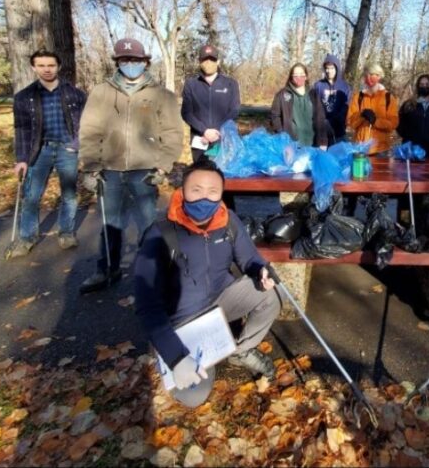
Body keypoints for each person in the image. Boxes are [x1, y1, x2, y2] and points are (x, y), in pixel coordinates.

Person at [134, 159, 281, 405]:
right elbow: (146, 305)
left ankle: (241, 350)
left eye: (213, 192)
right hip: (184, 321)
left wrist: (260, 270)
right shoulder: (160, 234)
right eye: (196, 190)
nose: (204, 199)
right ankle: (181, 357)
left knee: (272, 295)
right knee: (193, 397)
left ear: (222, 194)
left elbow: (249, 258)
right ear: (182, 192)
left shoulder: (228, 220)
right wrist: (176, 357)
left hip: (221, 301)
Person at [78, 38, 184, 294]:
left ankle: (152, 273)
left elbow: (172, 133)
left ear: (145, 62)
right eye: (125, 60)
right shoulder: (101, 92)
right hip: (110, 170)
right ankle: (107, 269)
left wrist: (163, 166)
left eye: (136, 60)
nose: (131, 64)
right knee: (110, 222)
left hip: (145, 170)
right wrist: (91, 167)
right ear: (117, 62)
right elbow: (90, 130)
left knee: (148, 222)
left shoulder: (162, 95)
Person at [7, 49, 87, 258]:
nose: (47, 69)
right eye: (41, 65)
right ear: (34, 68)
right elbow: (21, 129)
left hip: (67, 149)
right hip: (38, 151)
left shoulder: (75, 94)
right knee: (31, 196)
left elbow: (85, 124)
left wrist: (76, 145)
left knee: (69, 194)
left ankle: (66, 232)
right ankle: (27, 237)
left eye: (51, 65)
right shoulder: (24, 97)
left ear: (58, 67)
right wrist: (21, 159)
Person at [180, 44, 240, 162]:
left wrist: (217, 130)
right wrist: (205, 131)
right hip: (200, 140)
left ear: (218, 61)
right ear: (199, 62)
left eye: (212, 59)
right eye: (205, 59)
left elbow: (234, 110)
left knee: (221, 174)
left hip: (223, 137)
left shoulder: (231, 84)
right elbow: (186, 113)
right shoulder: (191, 84)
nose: (208, 62)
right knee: (200, 173)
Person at [270, 63, 329, 149]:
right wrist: (282, 138)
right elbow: (274, 117)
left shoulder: (313, 94)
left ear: (306, 76)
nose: (299, 78)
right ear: (291, 77)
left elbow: (320, 119)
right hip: (291, 146)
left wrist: (323, 141)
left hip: (312, 145)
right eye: (296, 75)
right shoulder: (282, 95)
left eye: (302, 75)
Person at [346, 62, 399, 156]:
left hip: (381, 149)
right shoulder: (358, 97)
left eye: (371, 74)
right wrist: (361, 115)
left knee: (381, 171)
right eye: (366, 75)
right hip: (360, 148)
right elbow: (351, 122)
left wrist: (375, 121)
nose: (368, 78)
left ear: (379, 76)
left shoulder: (388, 98)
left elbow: (393, 124)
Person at [311, 54, 351, 145]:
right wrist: (321, 122)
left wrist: (334, 121)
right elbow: (313, 106)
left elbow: (346, 107)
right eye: (327, 68)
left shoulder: (345, 87)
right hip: (321, 131)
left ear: (337, 68)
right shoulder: (318, 85)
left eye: (332, 68)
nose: (329, 71)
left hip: (338, 131)